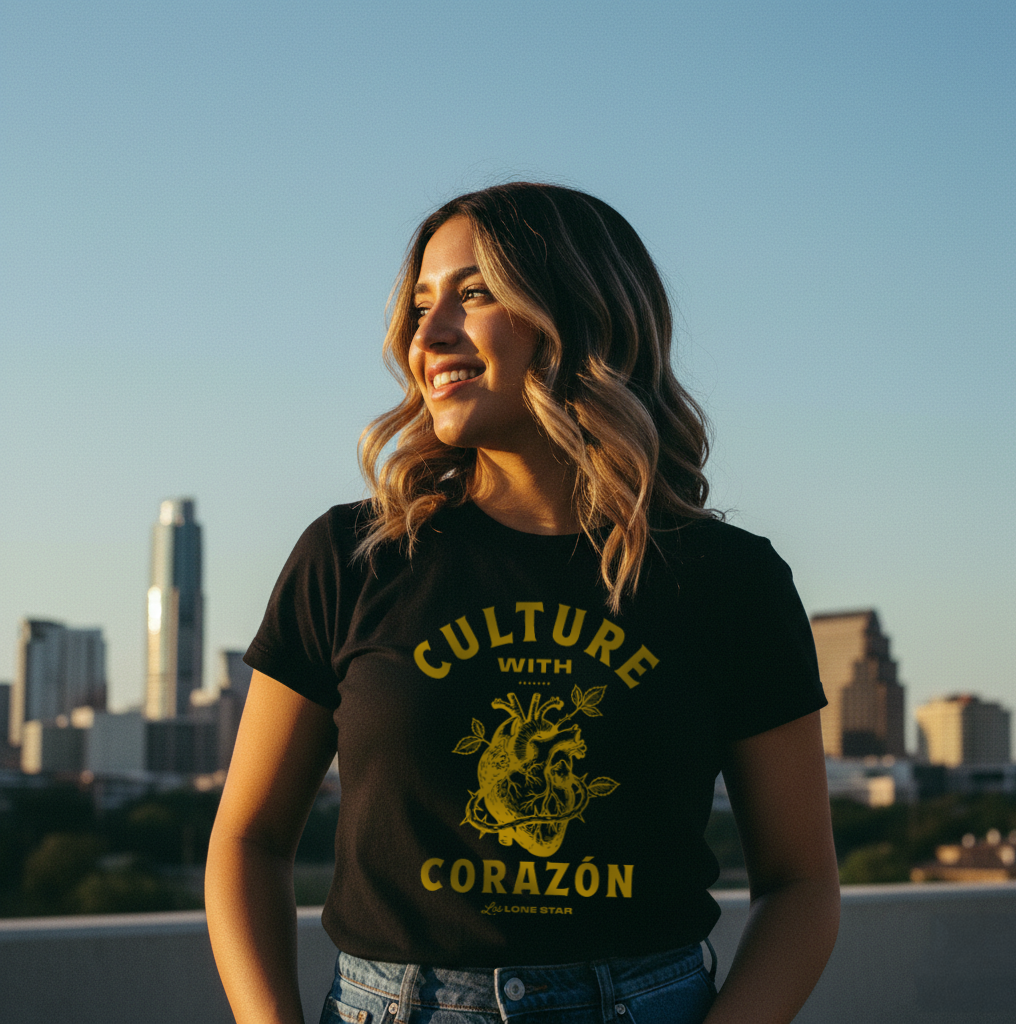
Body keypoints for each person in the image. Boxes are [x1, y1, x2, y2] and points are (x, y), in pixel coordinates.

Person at [206, 182, 840, 1024]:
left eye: (473, 295)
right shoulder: (353, 558)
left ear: (576, 314)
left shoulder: (728, 581)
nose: (426, 335)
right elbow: (247, 840)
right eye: (421, 303)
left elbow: (801, 884)